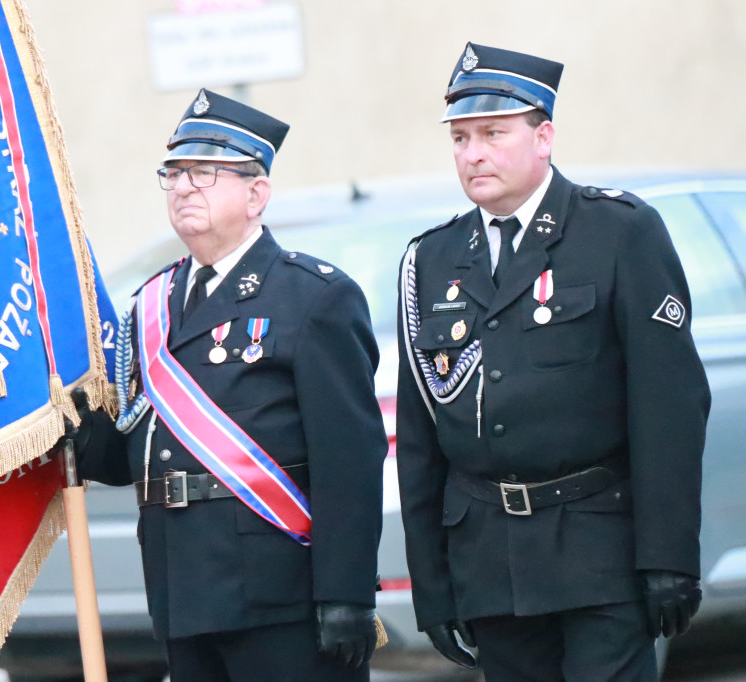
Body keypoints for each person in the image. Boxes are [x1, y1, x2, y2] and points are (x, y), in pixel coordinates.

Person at [395, 42, 711, 681]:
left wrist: (668, 557)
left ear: (544, 138)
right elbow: (421, 440)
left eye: (493, 133)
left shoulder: (618, 232)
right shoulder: (431, 260)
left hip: (600, 550)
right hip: (489, 561)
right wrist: (432, 584)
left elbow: (670, 408)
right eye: (460, 138)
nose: (473, 153)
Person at [68, 88, 388, 681]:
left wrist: (346, 593)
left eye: (205, 172)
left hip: (280, 594)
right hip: (181, 589)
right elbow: (133, 452)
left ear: (256, 194)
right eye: (174, 173)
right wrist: (75, 424)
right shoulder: (151, 305)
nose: (184, 187)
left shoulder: (313, 297)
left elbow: (350, 459)